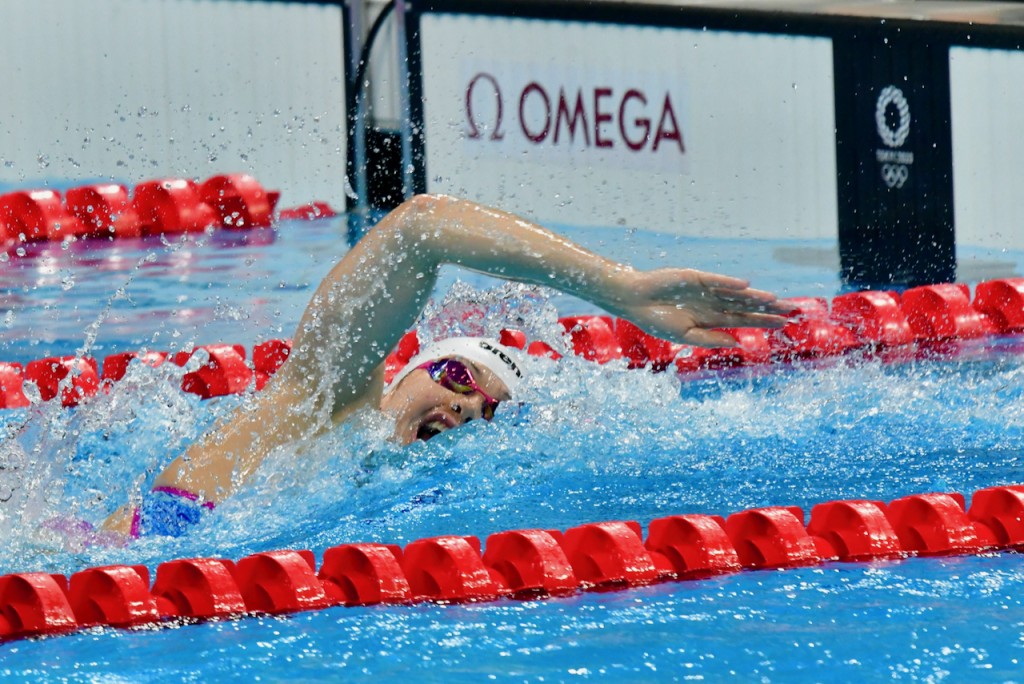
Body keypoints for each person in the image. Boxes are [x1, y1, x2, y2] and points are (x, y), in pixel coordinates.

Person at [103, 194, 789, 537]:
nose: (464, 407)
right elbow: (422, 226)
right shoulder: (321, 402)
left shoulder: (394, 514)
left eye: (484, 411)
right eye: (458, 378)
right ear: (402, 372)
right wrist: (621, 289)